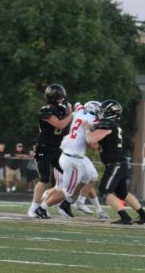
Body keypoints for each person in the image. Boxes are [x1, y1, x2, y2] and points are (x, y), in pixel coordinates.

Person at [35, 101, 112, 220]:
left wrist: (71, 110)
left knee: (87, 177)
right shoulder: (94, 121)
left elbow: (77, 104)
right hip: (73, 158)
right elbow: (93, 144)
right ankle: (42, 208)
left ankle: (76, 202)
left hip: (69, 155)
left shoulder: (79, 112)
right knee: (67, 191)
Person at [94, 99, 145, 225]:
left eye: (103, 111)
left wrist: (86, 129)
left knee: (105, 190)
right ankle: (144, 216)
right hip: (119, 163)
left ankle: (125, 217)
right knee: (122, 193)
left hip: (115, 164)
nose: (100, 113)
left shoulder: (107, 124)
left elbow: (90, 139)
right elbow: (96, 145)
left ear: (109, 113)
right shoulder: (113, 125)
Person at [28, 84, 73, 218]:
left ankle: (53, 201)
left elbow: (68, 119)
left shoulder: (60, 109)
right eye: (60, 97)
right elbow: (60, 124)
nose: (62, 100)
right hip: (43, 148)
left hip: (56, 149)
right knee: (44, 178)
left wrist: (69, 112)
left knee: (70, 175)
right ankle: (33, 208)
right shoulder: (45, 110)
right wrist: (72, 115)